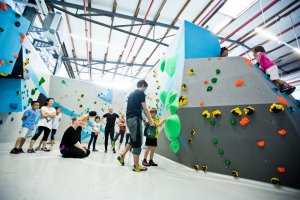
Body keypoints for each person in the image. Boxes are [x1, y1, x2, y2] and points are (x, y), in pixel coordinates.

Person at [117, 80, 153, 172]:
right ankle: (136, 166)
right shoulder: (141, 93)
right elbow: (145, 109)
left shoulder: (131, 94)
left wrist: (144, 120)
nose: (145, 90)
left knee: (133, 139)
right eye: (145, 88)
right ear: (143, 85)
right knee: (138, 141)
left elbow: (136, 108)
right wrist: (151, 122)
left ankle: (122, 155)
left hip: (129, 119)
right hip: (135, 119)